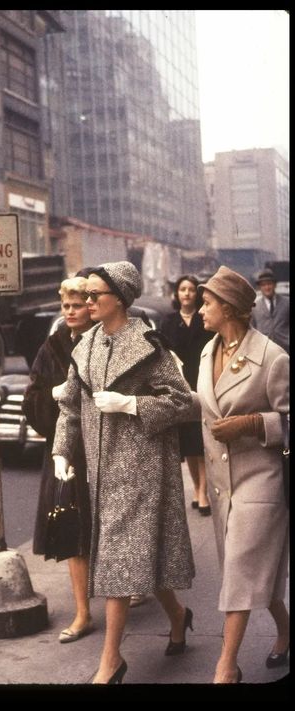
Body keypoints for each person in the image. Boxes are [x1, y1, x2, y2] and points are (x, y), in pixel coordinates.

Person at [52, 261, 195, 684]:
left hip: (143, 468)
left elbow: (183, 402)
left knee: (118, 561)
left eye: (96, 294)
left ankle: (110, 661)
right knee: (135, 560)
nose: (89, 301)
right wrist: (62, 451)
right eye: (87, 294)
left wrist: (132, 405)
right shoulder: (85, 346)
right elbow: (70, 406)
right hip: (101, 470)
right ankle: (179, 614)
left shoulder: (148, 343)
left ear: (121, 299)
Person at [196, 265, 289, 684]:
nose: (200, 309)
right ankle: (286, 630)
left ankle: (225, 666)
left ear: (229, 308)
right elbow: (205, 405)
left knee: (240, 569)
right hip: (221, 486)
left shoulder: (272, 357)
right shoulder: (206, 350)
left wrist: (252, 423)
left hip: (260, 481)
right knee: (256, 576)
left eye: (207, 302)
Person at [22, 276, 94, 644]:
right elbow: (31, 398)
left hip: (104, 448)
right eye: (65, 305)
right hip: (67, 452)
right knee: (71, 531)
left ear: (91, 306)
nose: (70, 311)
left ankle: (128, 589)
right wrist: (52, 395)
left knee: (110, 528)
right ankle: (83, 611)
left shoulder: (105, 341)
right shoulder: (51, 347)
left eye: (77, 304)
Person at [161, 275, 213, 515]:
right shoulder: (169, 322)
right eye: (182, 289)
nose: (187, 294)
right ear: (177, 294)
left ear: (197, 294)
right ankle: (197, 487)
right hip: (179, 386)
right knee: (189, 444)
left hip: (202, 381)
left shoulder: (205, 319)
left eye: (191, 290)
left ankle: (203, 490)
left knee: (202, 440)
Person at [251, 268, 289, 353]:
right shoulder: (255, 306)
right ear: (260, 288)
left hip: (285, 349)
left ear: (275, 285)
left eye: (269, 284)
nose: (267, 287)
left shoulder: (287, 303)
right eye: (263, 285)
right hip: (264, 351)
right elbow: (252, 329)